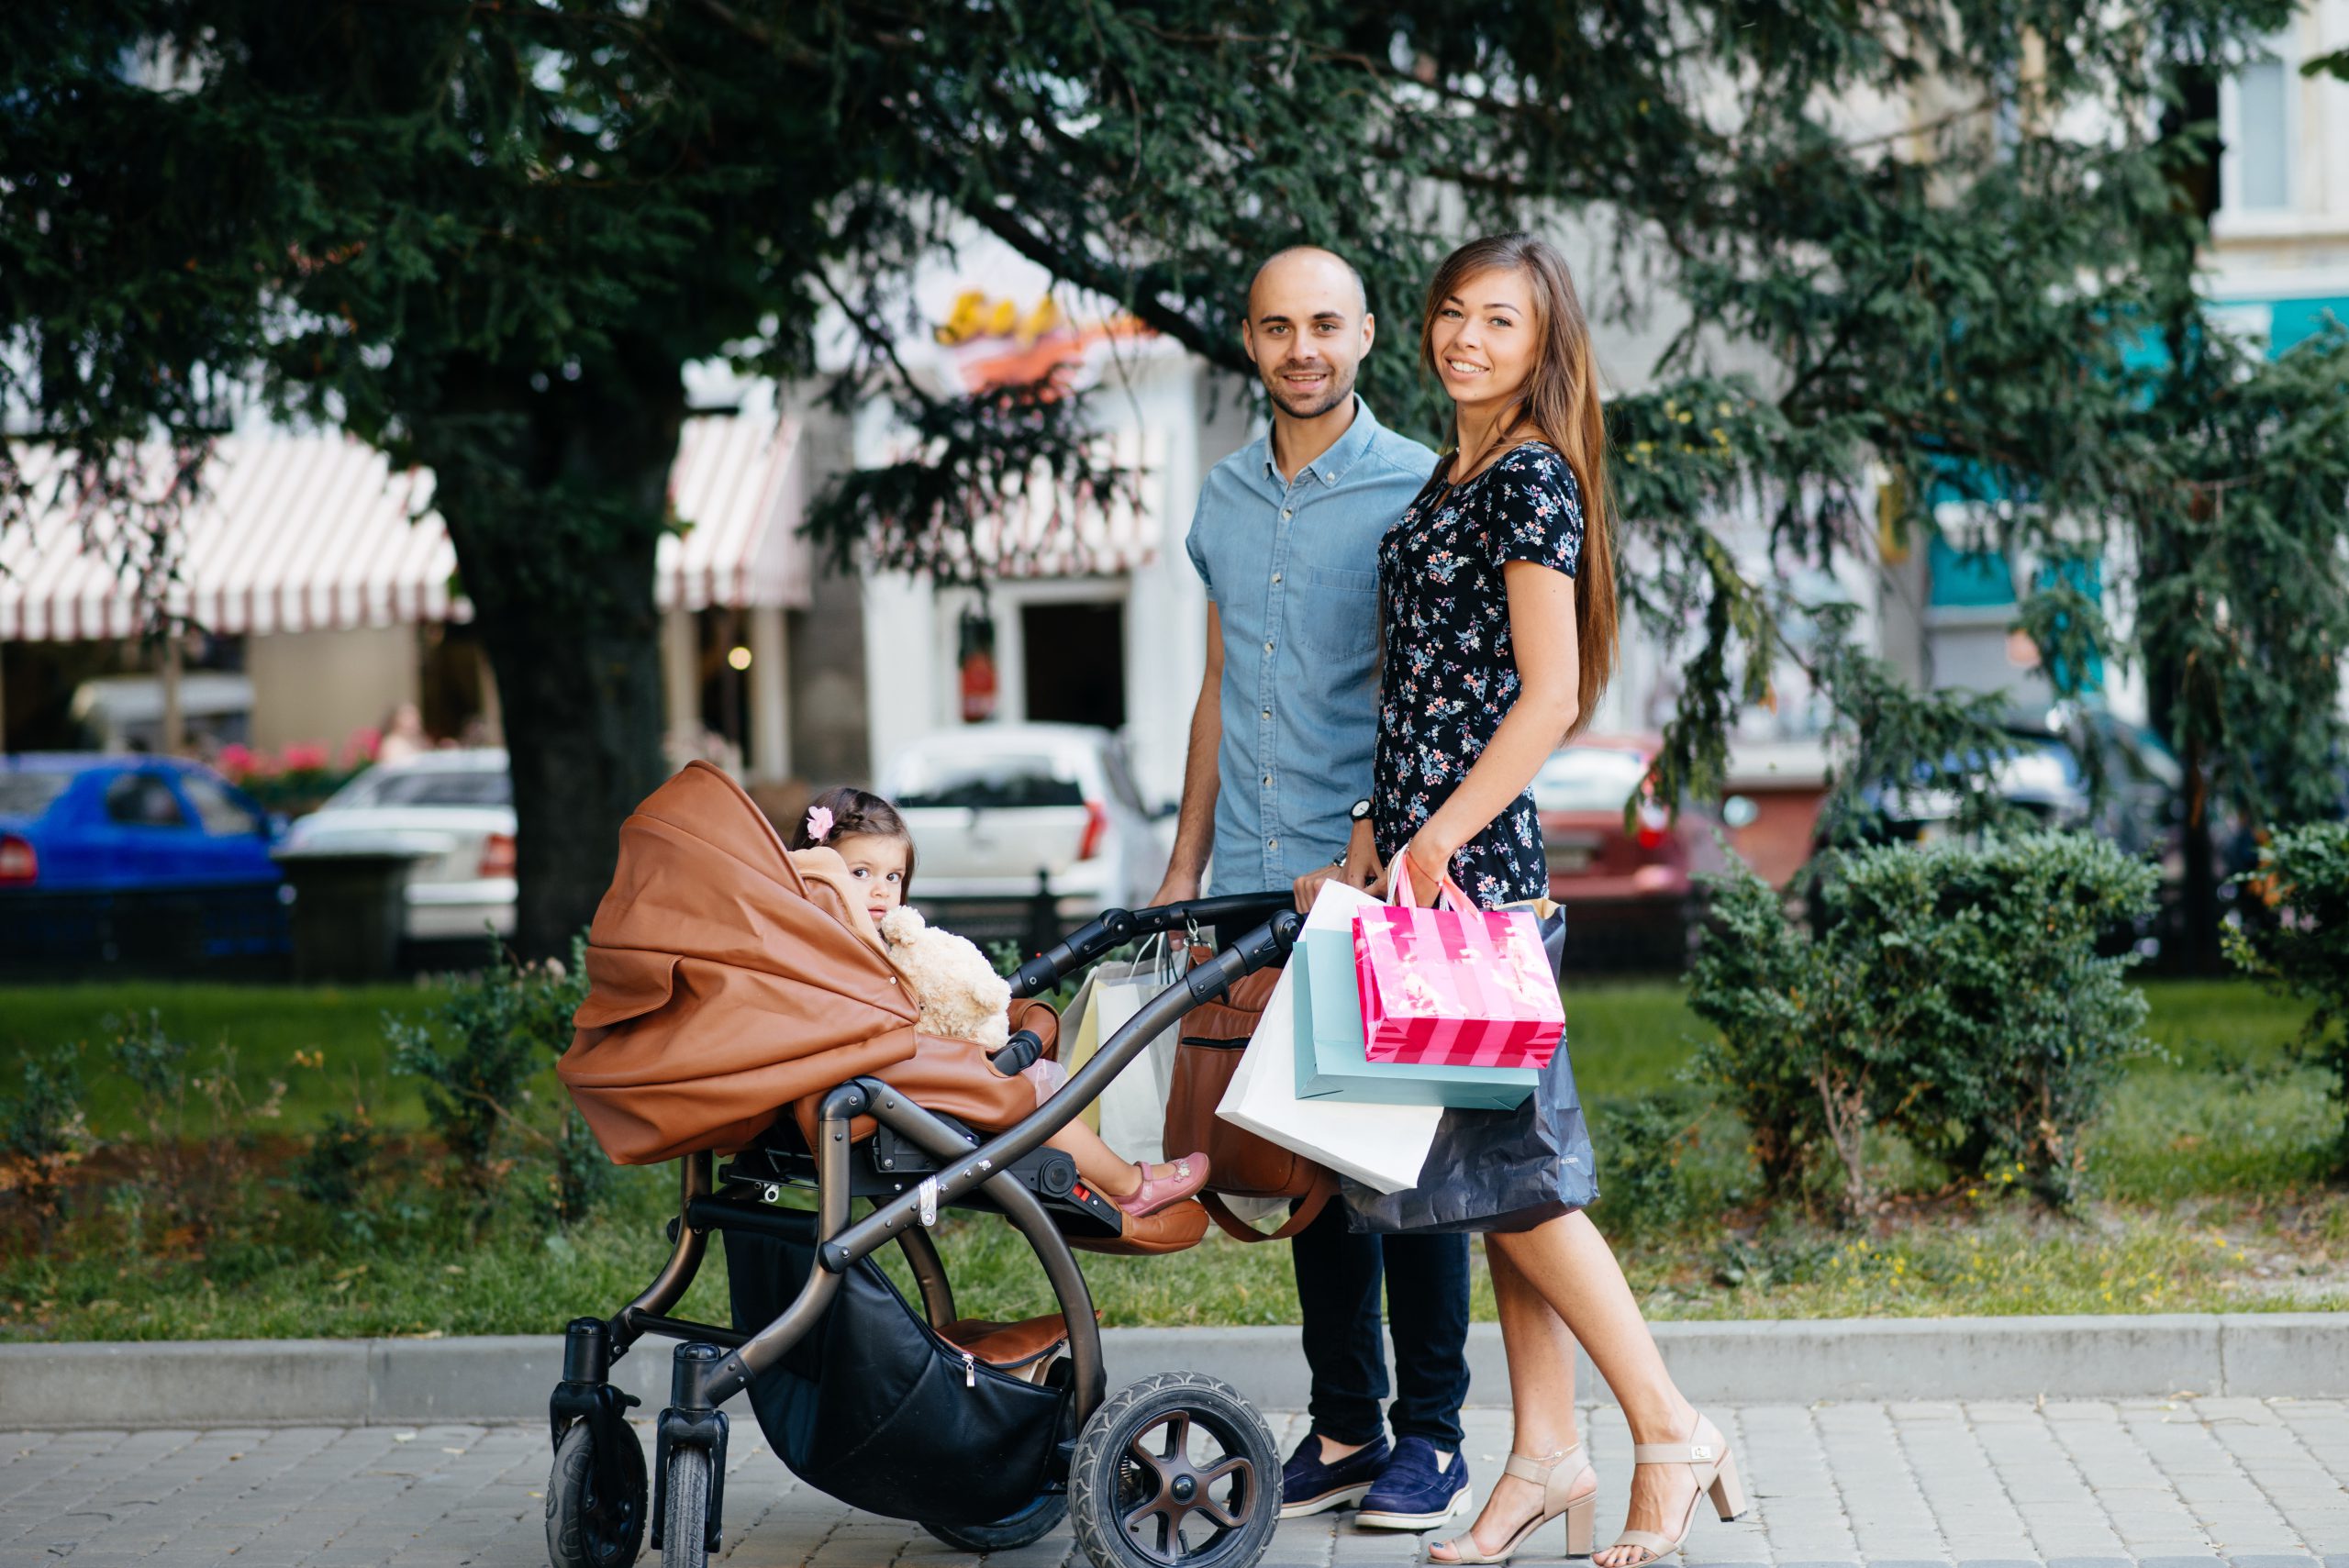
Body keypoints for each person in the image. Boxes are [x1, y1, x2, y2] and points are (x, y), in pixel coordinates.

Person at [1320, 231, 1742, 1568]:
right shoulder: (1456, 474)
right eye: (1452, 314)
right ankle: (1547, 1451)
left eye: (1498, 321)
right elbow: (1439, 689)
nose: (1465, 339)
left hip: (1478, 884)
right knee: (1496, 1188)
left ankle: (1668, 1427)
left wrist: (1437, 834)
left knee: (1524, 1183)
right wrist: (1377, 827)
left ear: (1544, 344)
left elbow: (1548, 694)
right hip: (1424, 865)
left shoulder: (1532, 481)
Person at [1151, 247, 1476, 1532]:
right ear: (1249, 339)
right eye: (1279, 327)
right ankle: (1345, 1423)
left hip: (1369, 878)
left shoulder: (1419, 487)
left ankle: (1434, 1439)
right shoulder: (1222, 499)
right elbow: (1222, 686)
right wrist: (1185, 870)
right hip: (1245, 872)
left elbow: (1425, 694)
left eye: (1325, 325)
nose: (1303, 349)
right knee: (1301, 1166)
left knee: (1398, 1162)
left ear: (1368, 335)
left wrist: (1360, 833)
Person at [790, 785, 1208, 1218]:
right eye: (860, 873)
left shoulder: (837, 942)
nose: (880, 891)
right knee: (1028, 1088)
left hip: (882, 1077)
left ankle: (1108, 1180)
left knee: (1027, 1077)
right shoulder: (840, 948)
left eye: (892, 877)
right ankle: (1131, 1185)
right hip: (882, 1085)